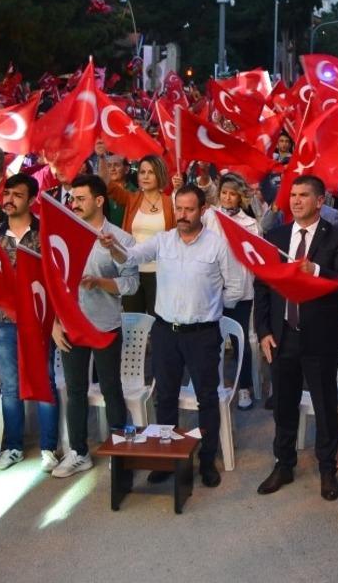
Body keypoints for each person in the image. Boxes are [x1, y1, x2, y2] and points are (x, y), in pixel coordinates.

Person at [113, 184, 239, 488]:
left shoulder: (218, 246)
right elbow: (129, 257)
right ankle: (167, 459)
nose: (182, 215)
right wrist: (111, 247)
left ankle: (207, 461)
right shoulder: (163, 241)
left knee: (207, 399)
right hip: (166, 332)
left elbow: (235, 288)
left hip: (203, 335)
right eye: (179, 209)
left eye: (189, 209)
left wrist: (209, 308)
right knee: (165, 397)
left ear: (203, 210)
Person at [255, 175, 338, 502]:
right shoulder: (276, 236)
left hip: (320, 338)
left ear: (319, 201)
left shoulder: (335, 237)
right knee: (283, 405)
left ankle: (328, 468)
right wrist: (264, 331)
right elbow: (263, 286)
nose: (296, 201)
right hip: (283, 337)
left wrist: (315, 271)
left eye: (303, 195)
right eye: (293, 195)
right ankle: (283, 464)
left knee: (325, 407)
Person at [53, 175, 139, 478]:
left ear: (99, 200)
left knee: (110, 388)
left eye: (81, 199)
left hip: (105, 325)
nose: (74, 204)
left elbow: (130, 284)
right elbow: (53, 281)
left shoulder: (120, 238)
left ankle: (120, 450)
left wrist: (100, 282)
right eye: (73, 199)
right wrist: (55, 322)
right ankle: (78, 452)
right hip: (70, 325)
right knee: (74, 390)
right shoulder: (62, 233)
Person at [0, 174, 60, 473]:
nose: (9, 199)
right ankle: (13, 446)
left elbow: (55, 279)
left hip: (40, 321)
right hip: (5, 322)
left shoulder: (45, 233)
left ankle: (48, 447)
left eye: (17, 195)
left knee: (44, 382)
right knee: (10, 386)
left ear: (32, 200)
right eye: (7, 193)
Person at [203, 172, 259, 411]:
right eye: (224, 193)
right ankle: (213, 385)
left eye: (232, 194)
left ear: (240, 197)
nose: (227, 198)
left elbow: (255, 257)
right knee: (210, 340)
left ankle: (244, 386)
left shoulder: (250, 223)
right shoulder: (209, 216)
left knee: (239, 341)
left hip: (240, 291)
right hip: (210, 289)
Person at [98, 146, 174, 317]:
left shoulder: (171, 203)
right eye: (142, 172)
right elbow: (105, 183)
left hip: (161, 273)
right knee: (133, 322)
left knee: (159, 322)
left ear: (159, 175)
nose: (145, 176)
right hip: (132, 271)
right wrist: (102, 156)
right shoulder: (132, 198)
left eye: (151, 172)